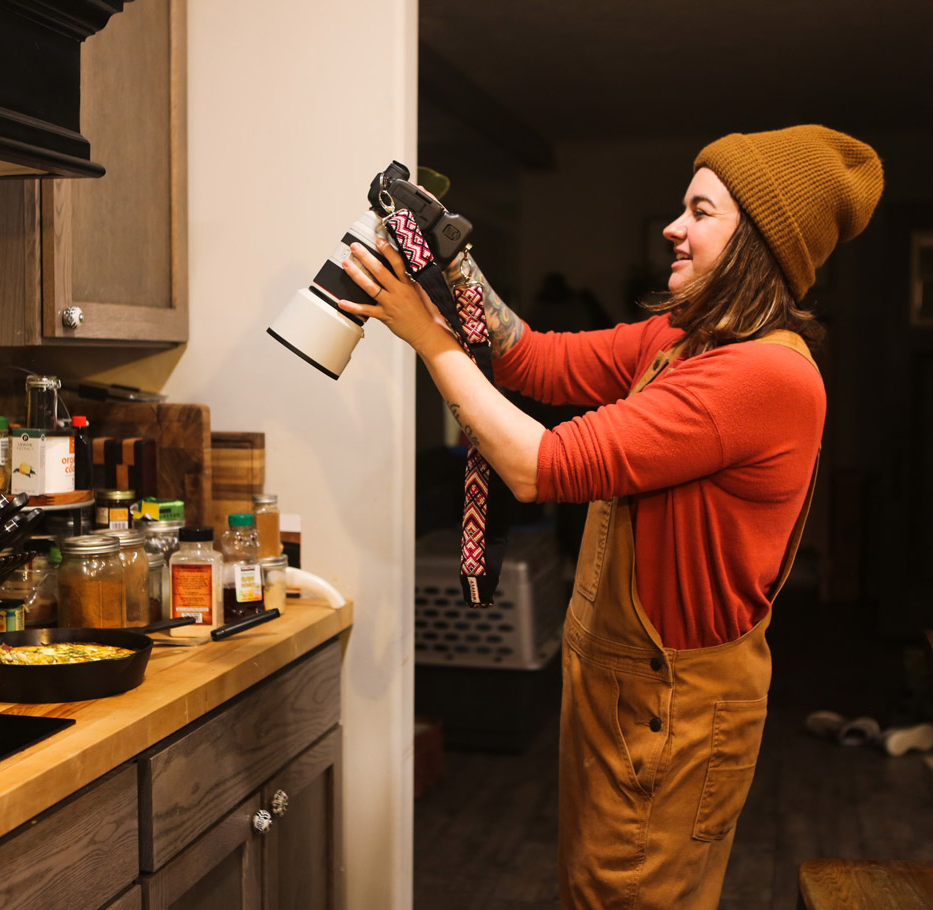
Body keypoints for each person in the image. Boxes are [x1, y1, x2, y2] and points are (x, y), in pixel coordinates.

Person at [338, 125, 884, 909]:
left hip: (674, 706)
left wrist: (427, 335)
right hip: (615, 681)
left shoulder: (762, 375)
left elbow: (537, 466)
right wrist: (452, 263)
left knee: (626, 896)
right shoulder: (681, 338)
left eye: (701, 211)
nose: (674, 227)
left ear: (761, 241)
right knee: (597, 887)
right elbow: (532, 357)